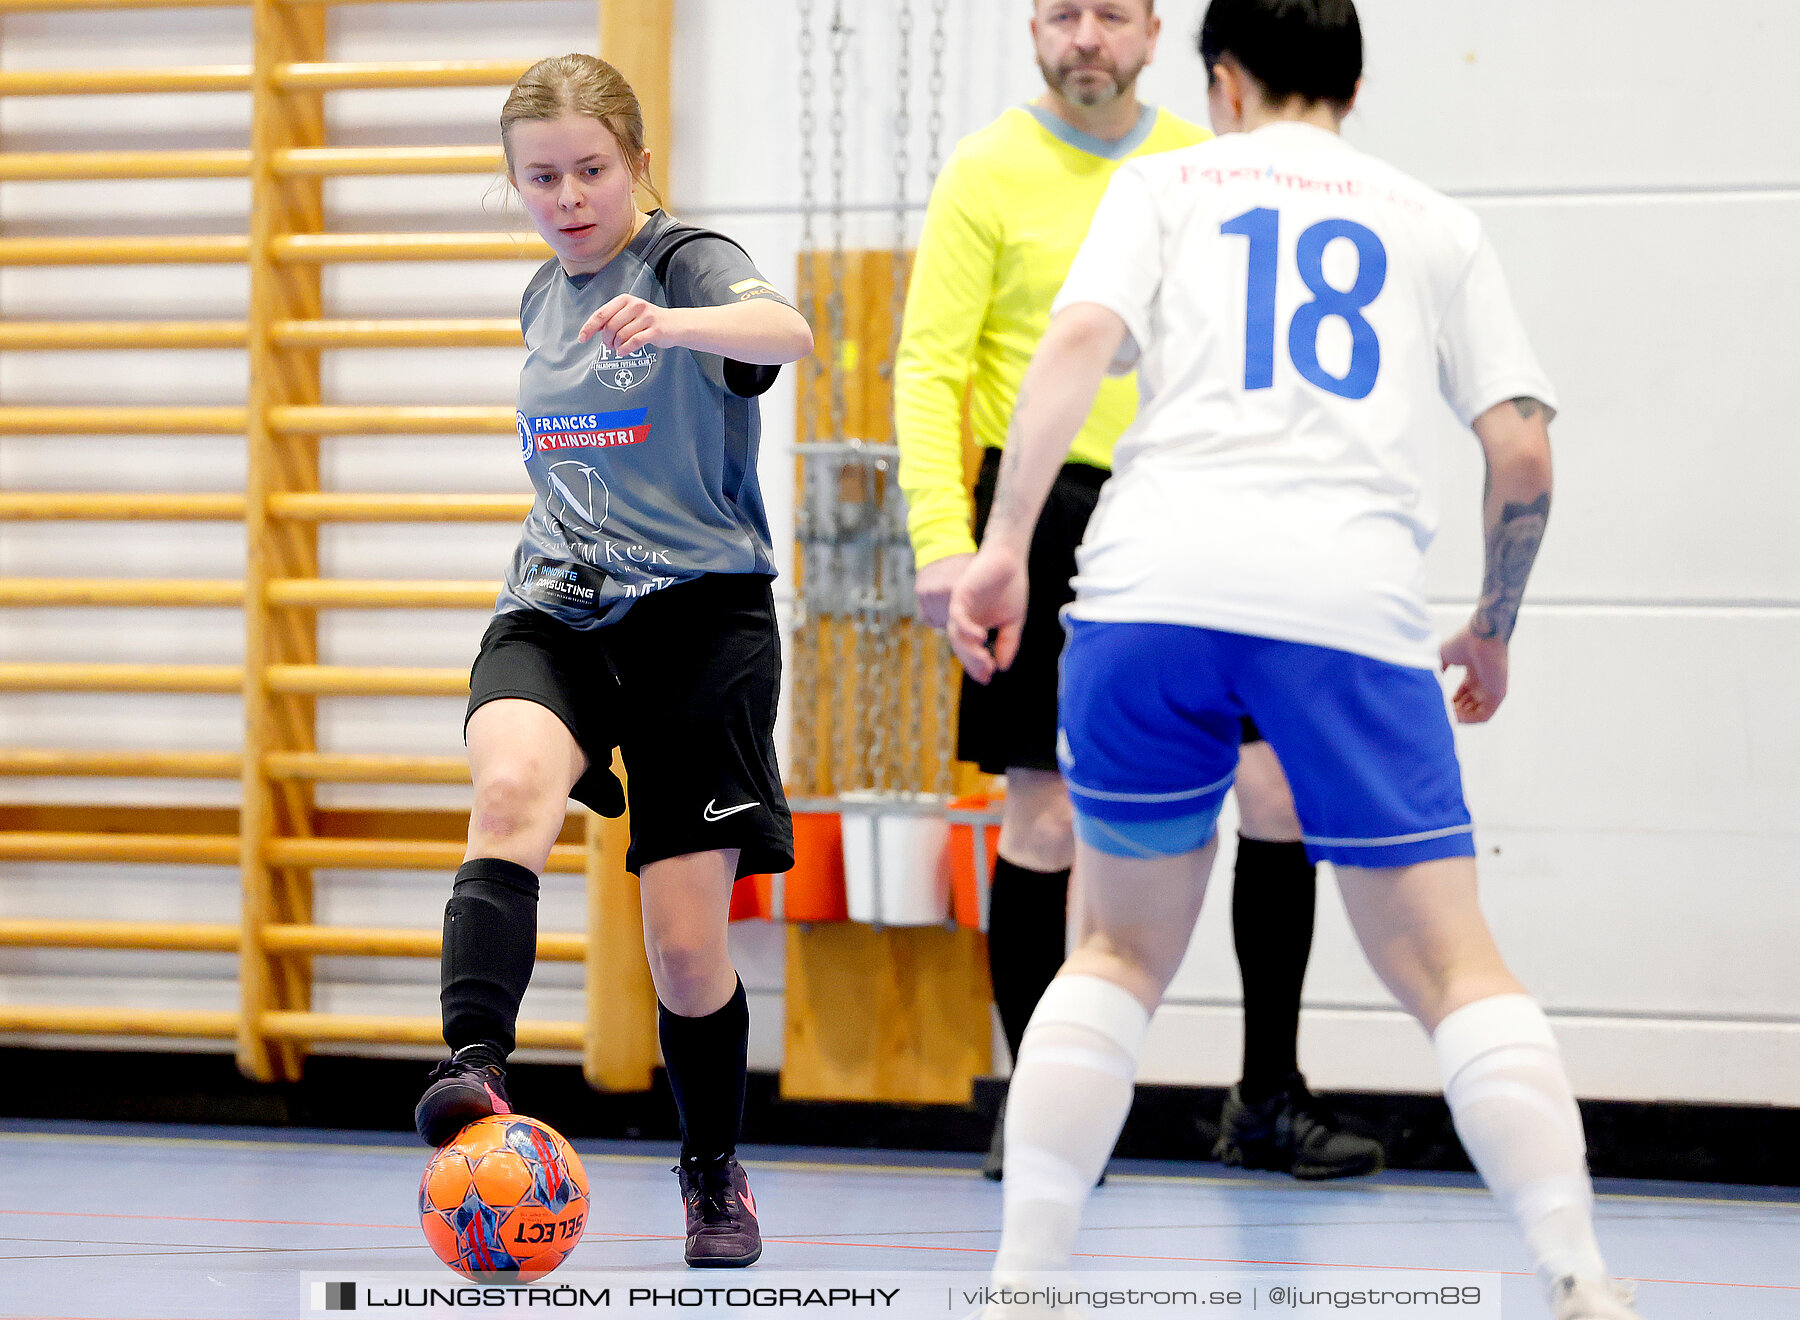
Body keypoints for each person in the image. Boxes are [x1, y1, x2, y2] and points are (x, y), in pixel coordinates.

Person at [947, 2, 1643, 1316]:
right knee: (1453, 970)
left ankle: (1023, 1282)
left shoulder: (1158, 186)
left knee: (1113, 958)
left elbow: (1074, 348)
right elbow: (1522, 455)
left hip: (1150, 589)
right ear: (1356, 83)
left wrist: (1002, 550)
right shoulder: (1433, 221)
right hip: (1345, 608)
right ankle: (1578, 1270)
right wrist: (1493, 624)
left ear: (1222, 80)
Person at [895, 0, 1379, 1181]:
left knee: (1277, 796)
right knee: (1046, 816)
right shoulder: (987, 170)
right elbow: (931, 364)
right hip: (1042, 514)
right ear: (1032, 31)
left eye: (1111, 12)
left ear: (1158, 35)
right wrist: (944, 540)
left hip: (1196, 506)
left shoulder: (1202, 167)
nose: (1086, 37)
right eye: (1063, 13)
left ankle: (1267, 1095)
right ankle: (1042, 1102)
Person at [410, 53, 814, 1272]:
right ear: (515, 182)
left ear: (636, 162)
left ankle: (710, 1173)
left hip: (700, 623)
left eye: (592, 170)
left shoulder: (684, 261)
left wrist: (678, 321)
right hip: (560, 607)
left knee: (687, 949)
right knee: (507, 792)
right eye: (542, 177)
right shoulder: (541, 294)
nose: (570, 195)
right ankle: (475, 1066)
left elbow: (782, 329)